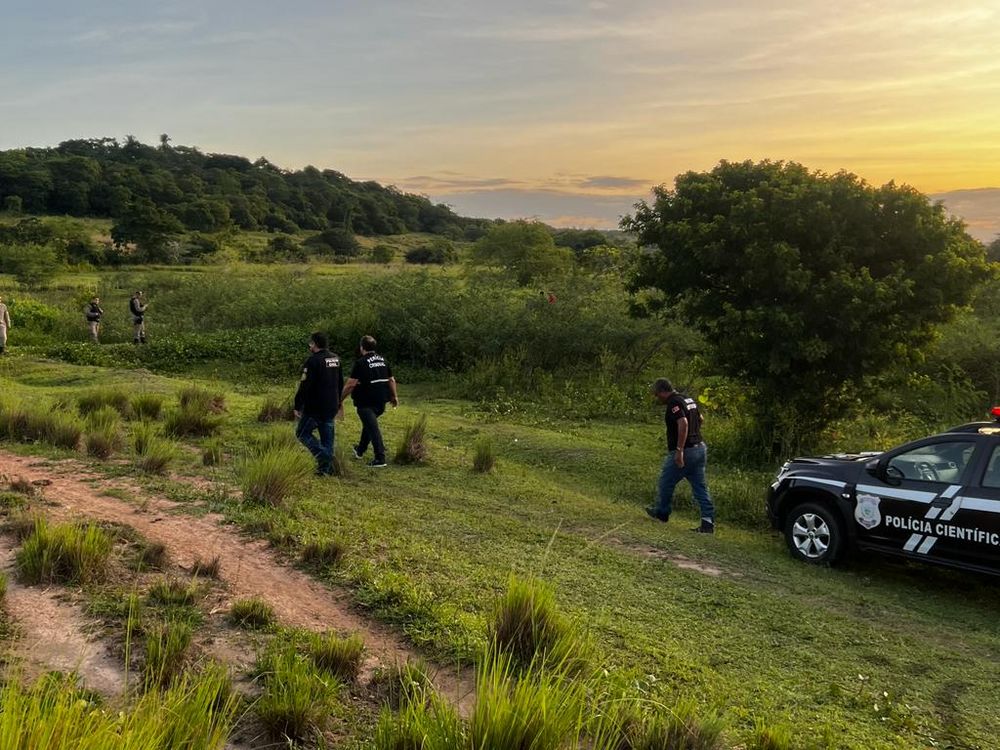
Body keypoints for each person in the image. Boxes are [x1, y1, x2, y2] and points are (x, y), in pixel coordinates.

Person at [645, 378, 715, 533]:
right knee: (700, 487)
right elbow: (700, 418)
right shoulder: (687, 399)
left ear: (663, 391)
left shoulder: (674, 403)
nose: (658, 398)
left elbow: (683, 423)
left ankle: (662, 512)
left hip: (687, 450)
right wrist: (693, 434)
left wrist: (680, 449)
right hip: (700, 448)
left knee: (666, 481)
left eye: (657, 395)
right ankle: (707, 522)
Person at [340, 335, 398, 468]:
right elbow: (391, 380)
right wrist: (394, 397)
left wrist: (339, 400)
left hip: (365, 402)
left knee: (373, 428)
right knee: (369, 425)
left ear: (362, 348)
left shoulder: (360, 363)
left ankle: (380, 458)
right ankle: (360, 450)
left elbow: (350, 385)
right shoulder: (383, 360)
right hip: (381, 402)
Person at [293, 332, 344, 476]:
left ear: (314, 344)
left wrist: (297, 405)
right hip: (331, 404)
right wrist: (339, 401)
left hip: (315, 407)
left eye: (310, 343)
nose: (309, 345)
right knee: (327, 439)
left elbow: (305, 385)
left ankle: (324, 456)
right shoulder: (335, 359)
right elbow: (340, 382)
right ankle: (325, 470)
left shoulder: (313, 361)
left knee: (302, 433)